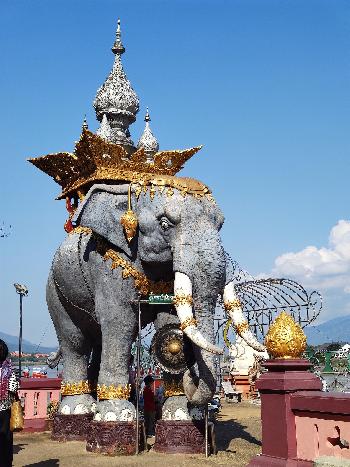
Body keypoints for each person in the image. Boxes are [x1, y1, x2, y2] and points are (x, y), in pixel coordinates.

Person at [0, 339, 19, 466]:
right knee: (5, 442)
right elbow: (13, 389)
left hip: (4, 410)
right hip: (5, 410)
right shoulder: (9, 369)